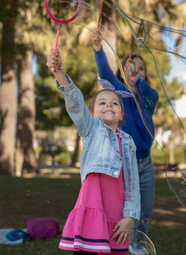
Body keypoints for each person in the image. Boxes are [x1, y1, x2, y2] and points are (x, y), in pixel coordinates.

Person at [47, 49, 140, 255]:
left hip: (117, 214)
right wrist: (59, 72)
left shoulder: (128, 142)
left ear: (121, 114)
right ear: (92, 113)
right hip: (92, 207)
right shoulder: (91, 129)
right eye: (102, 102)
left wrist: (130, 217)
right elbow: (75, 103)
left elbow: (132, 181)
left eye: (115, 103)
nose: (108, 104)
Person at [92, 29, 159, 244]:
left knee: (144, 214)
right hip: (124, 164)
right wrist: (98, 49)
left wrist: (136, 79)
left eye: (141, 69)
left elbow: (146, 92)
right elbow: (105, 75)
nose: (136, 72)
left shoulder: (150, 97)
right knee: (124, 215)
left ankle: (138, 248)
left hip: (146, 165)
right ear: (122, 73)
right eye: (131, 68)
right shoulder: (120, 93)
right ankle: (122, 248)